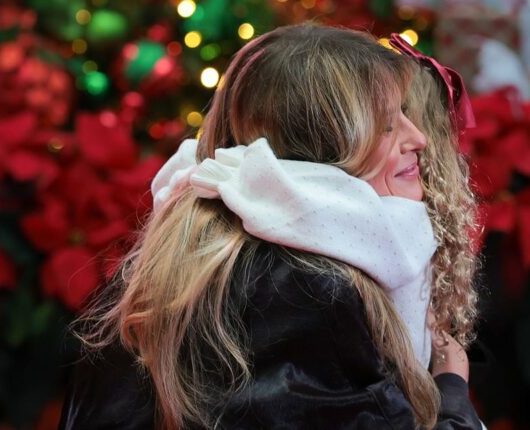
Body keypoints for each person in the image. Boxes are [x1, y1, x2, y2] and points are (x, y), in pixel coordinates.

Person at [58, 22, 484, 430]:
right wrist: (451, 390)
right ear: (324, 149)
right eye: (388, 126)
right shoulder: (310, 292)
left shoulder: (184, 248)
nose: (419, 139)